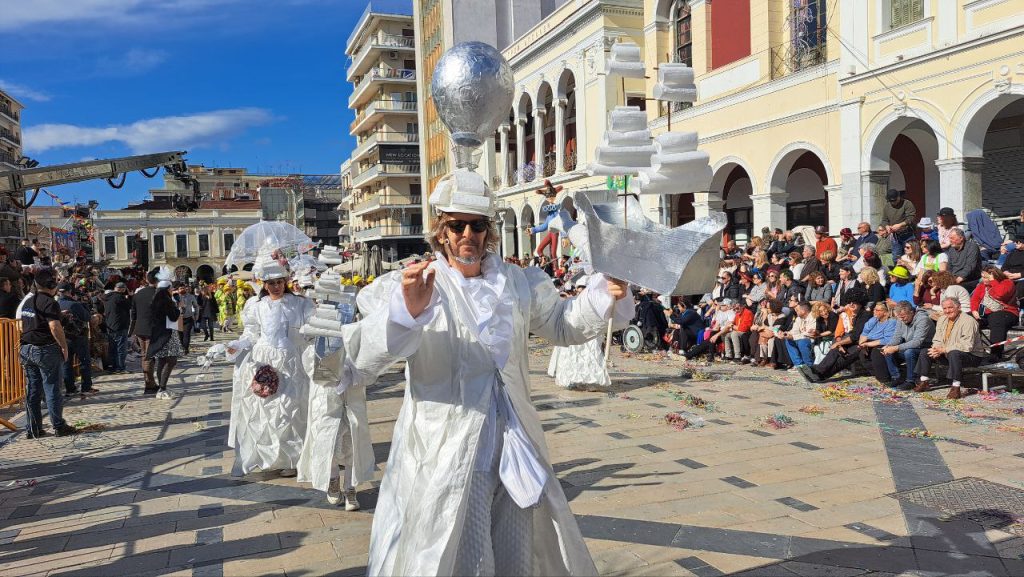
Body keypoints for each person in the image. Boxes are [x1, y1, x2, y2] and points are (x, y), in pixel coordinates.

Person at [332, 171, 633, 577]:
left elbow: (562, 325)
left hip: (513, 443)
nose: (467, 235)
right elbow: (363, 356)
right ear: (441, 232)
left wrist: (601, 296)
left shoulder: (517, 282)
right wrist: (408, 312)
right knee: (464, 556)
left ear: (488, 231)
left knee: (517, 551)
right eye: (457, 226)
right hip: (447, 448)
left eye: (476, 226)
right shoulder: (417, 284)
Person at [227, 247, 314, 478]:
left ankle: (292, 459)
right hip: (263, 361)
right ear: (264, 284)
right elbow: (251, 334)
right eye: (271, 283)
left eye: (279, 282)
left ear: (285, 281)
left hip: (291, 362)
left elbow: (311, 330)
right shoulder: (256, 306)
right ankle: (267, 458)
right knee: (263, 410)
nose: (276, 286)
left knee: (289, 409)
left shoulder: (300, 303)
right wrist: (237, 345)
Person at [17, 269, 77, 438]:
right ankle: (58, 426)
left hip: (26, 349)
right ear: (52, 285)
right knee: (52, 388)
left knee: (33, 390)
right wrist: (64, 346)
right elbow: (54, 327)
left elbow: (25, 324)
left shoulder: (29, 301)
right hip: (45, 350)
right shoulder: (50, 303)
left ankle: (33, 428)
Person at [913, 297, 987, 399]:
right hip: (948, 352)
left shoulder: (968, 321)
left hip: (972, 355)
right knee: (925, 351)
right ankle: (924, 381)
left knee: (954, 353)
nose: (947, 311)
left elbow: (967, 345)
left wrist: (944, 350)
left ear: (958, 307)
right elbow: (937, 339)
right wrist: (936, 349)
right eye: (945, 308)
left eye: (950, 307)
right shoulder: (942, 319)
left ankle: (956, 386)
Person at [547, 278, 613, 389]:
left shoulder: (594, 303)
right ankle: (573, 379)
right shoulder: (571, 301)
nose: (580, 291)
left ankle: (591, 381)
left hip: (589, 336)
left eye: (583, 288)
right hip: (573, 334)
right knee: (572, 359)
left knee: (589, 358)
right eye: (579, 288)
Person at [799, 287, 872, 383]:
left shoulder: (865, 315)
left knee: (842, 357)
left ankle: (818, 373)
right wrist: (839, 343)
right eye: (850, 302)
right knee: (837, 351)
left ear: (861, 302)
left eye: (854, 302)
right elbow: (842, 333)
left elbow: (855, 336)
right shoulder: (857, 315)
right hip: (856, 342)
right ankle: (818, 375)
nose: (851, 304)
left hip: (865, 345)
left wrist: (839, 343)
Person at [882, 301, 935, 390]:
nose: (901, 319)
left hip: (925, 346)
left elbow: (917, 342)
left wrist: (896, 348)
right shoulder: (900, 319)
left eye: (903, 317)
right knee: (888, 351)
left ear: (911, 312)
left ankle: (911, 381)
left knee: (909, 352)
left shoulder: (923, 319)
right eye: (899, 317)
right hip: (910, 344)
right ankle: (897, 377)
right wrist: (888, 345)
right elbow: (897, 337)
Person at [970, 266, 1019, 360]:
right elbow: (975, 299)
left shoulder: (1007, 283)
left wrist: (993, 281)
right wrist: (974, 310)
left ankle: (995, 354)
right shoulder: (982, 285)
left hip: (1007, 312)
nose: (983, 279)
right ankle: (972, 351)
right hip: (986, 313)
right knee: (968, 318)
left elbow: (1000, 294)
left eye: (986, 277)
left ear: (994, 276)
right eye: (982, 277)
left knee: (997, 318)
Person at [147, 279, 183, 400]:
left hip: (158, 334)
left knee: (162, 361)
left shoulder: (154, 301)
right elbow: (173, 317)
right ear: (167, 289)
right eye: (171, 288)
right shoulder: (166, 301)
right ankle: (162, 388)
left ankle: (162, 388)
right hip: (168, 333)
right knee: (171, 360)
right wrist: (178, 308)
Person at [56, 284, 95, 396]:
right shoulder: (74, 304)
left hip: (63, 336)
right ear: (69, 292)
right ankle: (86, 387)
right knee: (84, 361)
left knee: (66, 363)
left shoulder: (56, 304)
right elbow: (87, 317)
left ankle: (70, 389)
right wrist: (84, 305)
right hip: (78, 336)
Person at [854, 302, 899, 386]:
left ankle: (885, 378)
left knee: (876, 352)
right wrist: (862, 345)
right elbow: (864, 333)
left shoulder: (891, 322)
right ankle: (877, 374)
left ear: (885, 312)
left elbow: (887, 340)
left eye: (877, 310)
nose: (874, 311)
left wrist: (867, 344)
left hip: (884, 343)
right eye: (874, 309)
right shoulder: (873, 320)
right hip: (869, 341)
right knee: (860, 353)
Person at [130, 269, 159, 394]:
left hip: (140, 328)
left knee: (145, 355)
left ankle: (150, 383)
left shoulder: (138, 294)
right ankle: (149, 385)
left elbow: (134, 314)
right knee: (149, 356)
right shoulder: (159, 293)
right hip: (152, 329)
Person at [880, 189, 917, 258]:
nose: (893, 202)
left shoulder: (907, 204)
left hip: (908, 234)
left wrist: (900, 225)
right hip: (895, 236)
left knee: (911, 256)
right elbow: (884, 220)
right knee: (896, 257)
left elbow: (911, 218)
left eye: (894, 200)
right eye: (891, 201)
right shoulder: (887, 206)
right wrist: (887, 226)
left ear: (899, 197)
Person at [104, 282, 132, 373]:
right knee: (121, 348)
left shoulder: (107, 297)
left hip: (110, 325)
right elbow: (129, 305)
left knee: (112, 347)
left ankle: (113, 366)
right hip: (120, 325)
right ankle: (120, 367)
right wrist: (130, 296)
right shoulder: (120, 297)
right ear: (122, 289)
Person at [782, 301, 816, 370]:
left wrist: (793, 337)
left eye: (797, 310)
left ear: (803, 311)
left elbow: (808, 334)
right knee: (788, 340)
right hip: (800, 338)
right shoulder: (798, 318)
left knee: (802, 342)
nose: (795, 311)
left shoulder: (813, 317)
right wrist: (787, 334)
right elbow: (794, 331)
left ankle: (809, 365)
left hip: (812, 339)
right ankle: (799, 365)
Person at [174, 281, 199, 355]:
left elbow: (196, 306)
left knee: (186, 334)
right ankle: (182, 347)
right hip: (178, 319)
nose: (182, 289)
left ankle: (185, 348)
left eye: (183, 288)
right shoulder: (175, 297)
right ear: (178, 289)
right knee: (180, 335)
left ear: (185, 288)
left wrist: (196, 315)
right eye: (180, 288)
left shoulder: (191, 296)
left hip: (188, 318)